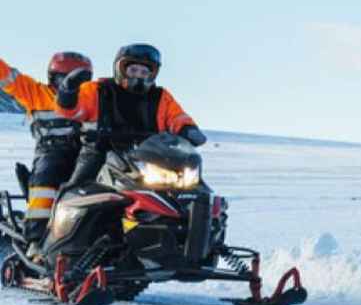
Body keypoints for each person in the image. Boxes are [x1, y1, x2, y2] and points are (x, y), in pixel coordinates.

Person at [56, 44, 207, 185]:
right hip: (101, 151)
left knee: (190, 186)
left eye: (144, 72)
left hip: (149, 156)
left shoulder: (160, 96)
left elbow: (177, 117)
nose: (138, 76)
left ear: (152, 74)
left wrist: (188, 129)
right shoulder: (99, 90)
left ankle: (207, 211)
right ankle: (67, 209)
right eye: (133, 70)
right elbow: (71, 110)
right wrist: (67, 93)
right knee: (79, 187)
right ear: (120, 69)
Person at [0, 52, 93, 251]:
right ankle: (36, 238)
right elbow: (7, 76)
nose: (70, 84)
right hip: (51, 151)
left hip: (84, 152)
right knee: (47, 178)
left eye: (79, 80)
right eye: (64, 78)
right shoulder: (35, 92)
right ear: (52, 77)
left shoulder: (90, 100)